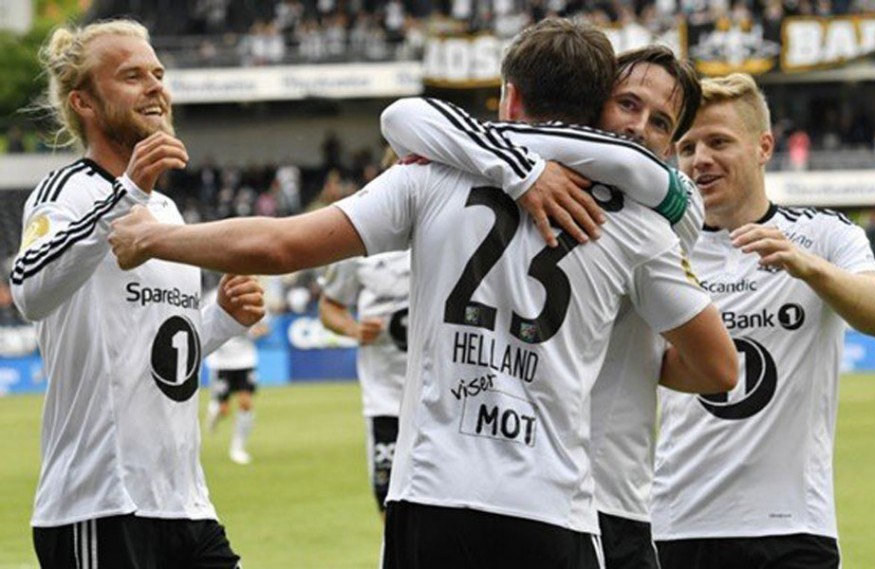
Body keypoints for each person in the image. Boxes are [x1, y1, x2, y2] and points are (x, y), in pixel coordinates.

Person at [108, 18, 737, 569]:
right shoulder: (639, 223)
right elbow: (720, 369)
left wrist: (157, 238)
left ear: (509, 96)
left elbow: (279, 246)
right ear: (595, 105)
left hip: (433, 494)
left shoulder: (430, 174)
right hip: (553, 507)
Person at [376, 44, 709, 569]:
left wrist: (511, 157)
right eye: (627, 104)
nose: (638, 127)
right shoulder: (647, 209)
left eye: (660, 123)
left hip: (601, 495)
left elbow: (405, 117)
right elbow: (404, 117)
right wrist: (522, 167)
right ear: (591, 102)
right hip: (549, 494)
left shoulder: (653, 217)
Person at [10, 20, 264, 568]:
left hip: (184, 504)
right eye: (132, 76)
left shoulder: (166, 211)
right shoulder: (66, 192)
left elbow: (157, 353)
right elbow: (29, 290)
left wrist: (221, 318)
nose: (155, 87)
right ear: (84, 102)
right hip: (99, 506)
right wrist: (124, 196)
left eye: (158, 74)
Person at [652, 73, 875, 569]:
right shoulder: (660, 248)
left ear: (764, 147)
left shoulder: (824, 235)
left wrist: (808, 267)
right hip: (677, 523)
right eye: (687, 147)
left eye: (718, 142)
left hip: (793, 525)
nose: (700, 159)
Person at [318, 250, 411, 518]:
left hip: (443, 396)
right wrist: (354, 329)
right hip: (385, 399)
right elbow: (329, 306)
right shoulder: (357, 248)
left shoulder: (443, 235)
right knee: (390, 508)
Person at [205, 305, 269, 465]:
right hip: (222, 363)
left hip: (246, 360)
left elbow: (264, 327)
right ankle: (215, 409)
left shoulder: (254, 300)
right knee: (224, 409)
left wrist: (255, 332)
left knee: (246, 403)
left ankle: (238, 448)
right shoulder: (214, 299)